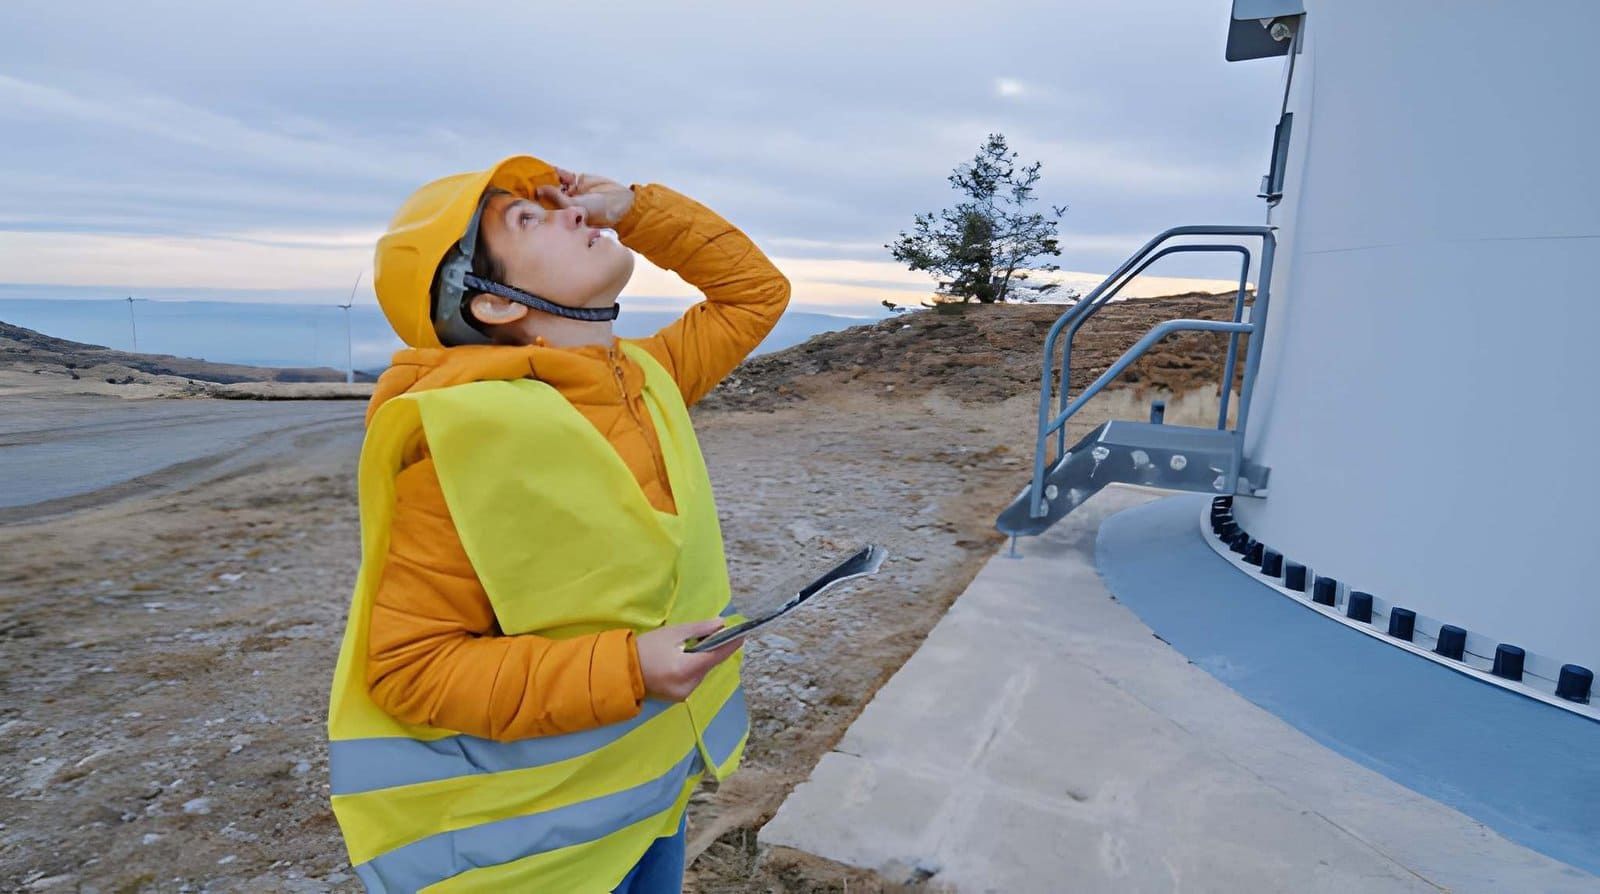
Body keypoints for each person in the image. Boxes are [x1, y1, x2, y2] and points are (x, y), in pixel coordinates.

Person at [325, 154, 791, 892]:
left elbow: (754, 293)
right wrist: (631, 668)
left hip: (651, 797)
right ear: (494, 304)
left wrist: (633, 208)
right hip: (545, 848)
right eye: (527, 219)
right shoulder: (466, 444)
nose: (571, 212)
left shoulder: (645, 380)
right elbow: (411, 669)